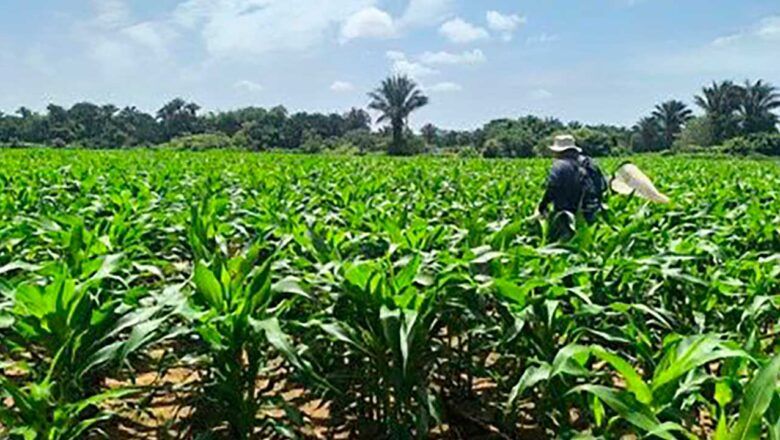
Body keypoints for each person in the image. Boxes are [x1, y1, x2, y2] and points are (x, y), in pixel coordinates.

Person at [537, 134, 607, 239]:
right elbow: (603, 186)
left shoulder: (560, 165)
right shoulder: (590, 163)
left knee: (567, 241)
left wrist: (543, 205)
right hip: (591, 212)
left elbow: (552, 187)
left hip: (568, 216)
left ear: (559, 152)